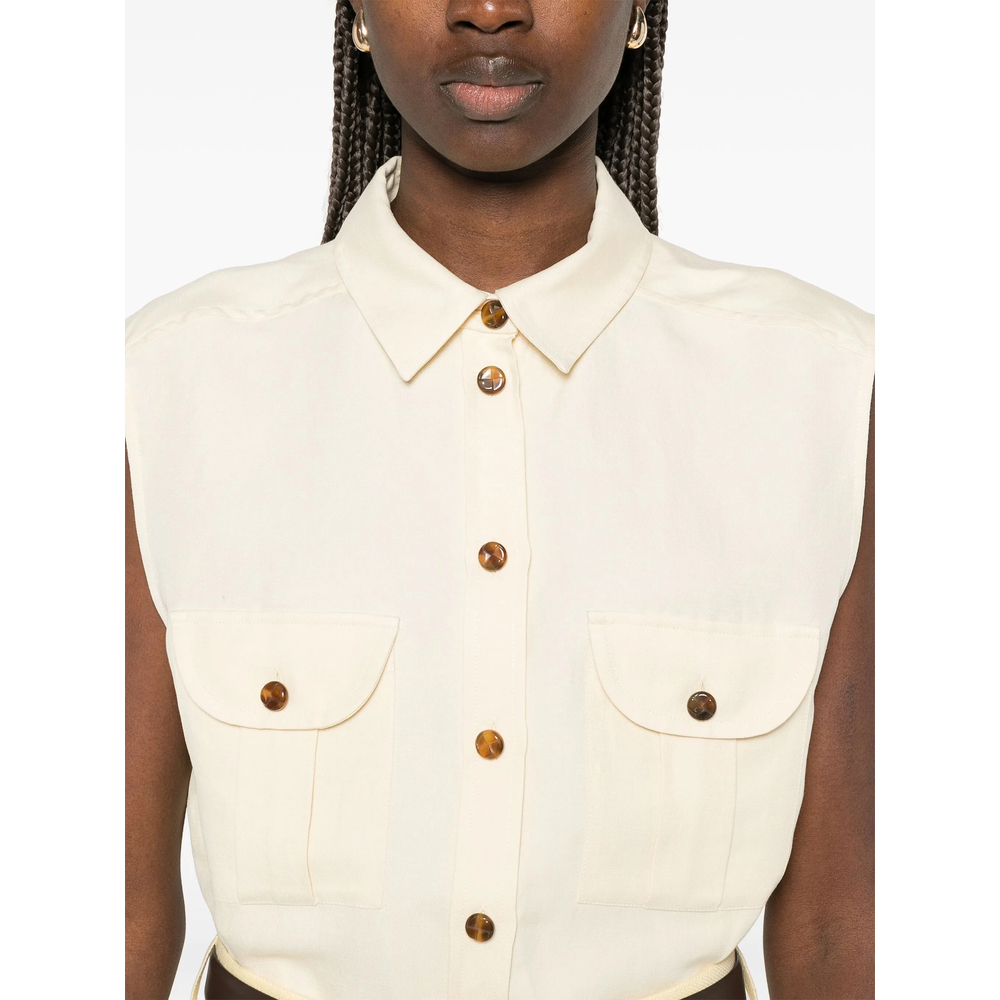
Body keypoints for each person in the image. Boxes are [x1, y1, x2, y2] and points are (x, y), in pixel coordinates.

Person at [125, 2, 874, 998]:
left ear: (640, 12)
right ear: (355, 14)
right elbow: (115, 908)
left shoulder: (823, 387)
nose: (488, 8)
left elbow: (837, 924)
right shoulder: (169, 379)